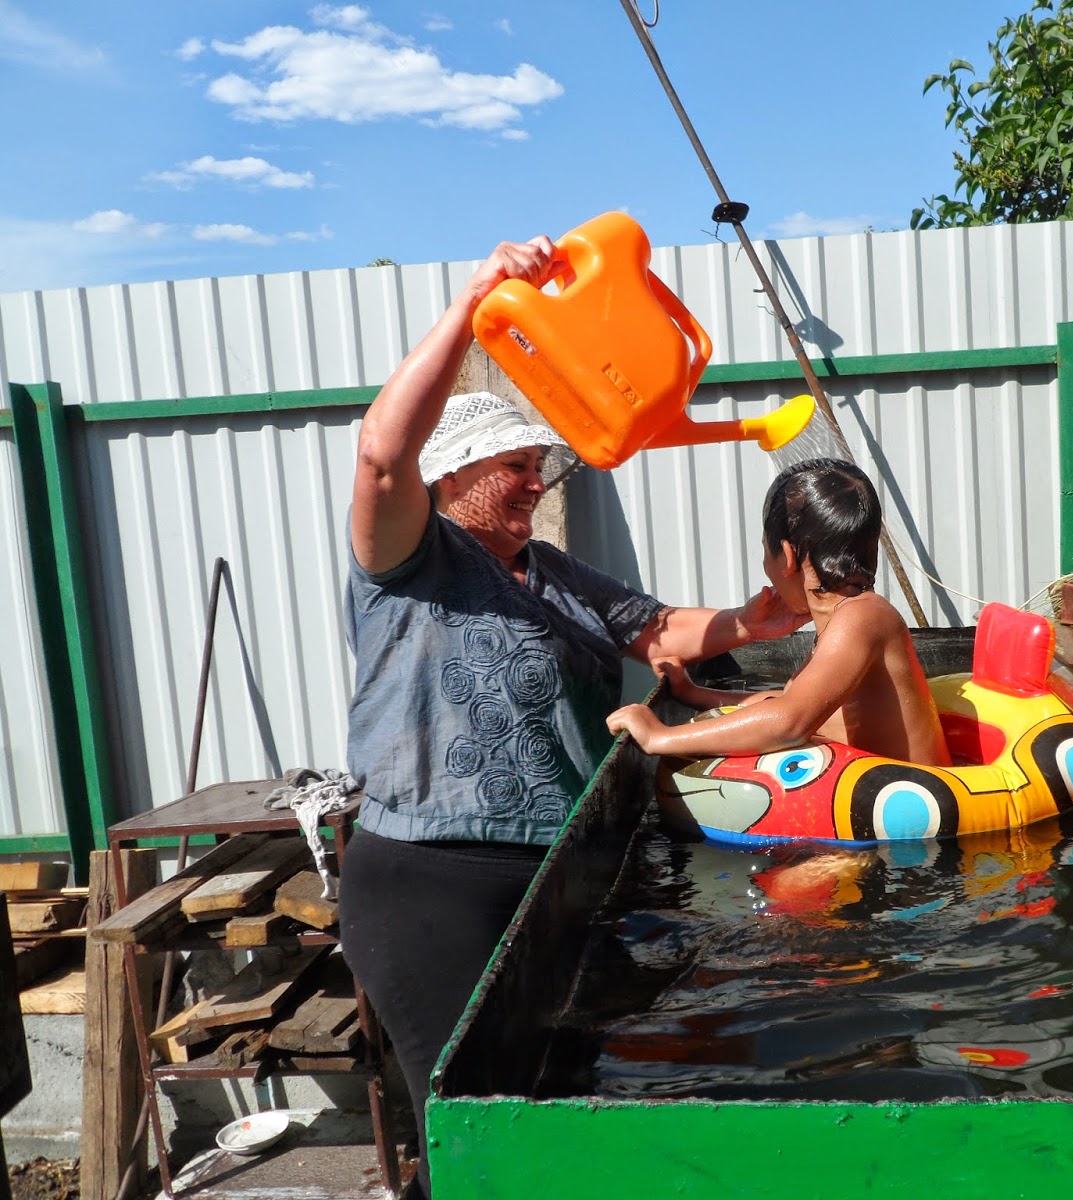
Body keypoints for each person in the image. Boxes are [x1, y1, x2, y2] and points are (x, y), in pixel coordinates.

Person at [337, 237, 807, 1200]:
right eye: (515, 466)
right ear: (453, 476)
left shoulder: (550, 572)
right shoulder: (409, 561)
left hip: (556, 874)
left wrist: (748, 622)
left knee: (558, 1110)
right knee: (473, 1127)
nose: (536, 482)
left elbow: (656, 627)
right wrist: (473, 305)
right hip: (430, 883)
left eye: (539, 466)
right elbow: (382, 455)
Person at [606, 458, 952, 767]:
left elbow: (788, 721)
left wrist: (660, 737)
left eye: (764, 550)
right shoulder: (848, 618)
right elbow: (783, 702)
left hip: (918, 810)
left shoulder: (863, 618)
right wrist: (693, 693)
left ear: (786, 556)